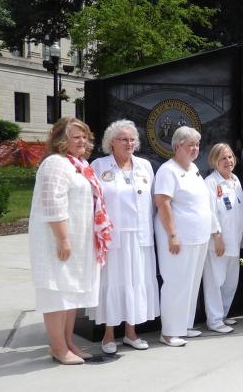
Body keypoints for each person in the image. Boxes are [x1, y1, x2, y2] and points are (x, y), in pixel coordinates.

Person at [29, 117, 112, 365]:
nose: (82, 141)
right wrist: (63, 239)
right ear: (61, 140)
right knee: (57, 294)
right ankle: (57, 347)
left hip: (78, 242)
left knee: (71, 295)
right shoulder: (55, 163)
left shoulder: (79, 164)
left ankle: (68, 343)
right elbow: (52, 203)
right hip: (57, 242)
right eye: (76, 137)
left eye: (85, 137)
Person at [89, 120, 159, 354]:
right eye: (123, 139)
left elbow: (154, 202)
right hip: (113, 238)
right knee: (113, 282)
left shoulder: (145, 166)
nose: (129, 143)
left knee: (136, 282)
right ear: (111, 142)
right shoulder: (99, 166)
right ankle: (109, 334)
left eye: (132, 139)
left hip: (140, 237)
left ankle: (131, 332)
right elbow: (93, 201)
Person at [154, 126, 215, 346]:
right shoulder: (168, 170)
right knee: (176, 283)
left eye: (197, 145)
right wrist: (172, 234)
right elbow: (163, 203)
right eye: (191, 145)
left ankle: (184, 326)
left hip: (198, 237)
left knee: (191, 283)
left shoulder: (193, 168)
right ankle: (169, 332)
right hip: (179, 237)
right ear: (177, 146)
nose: (195, 149)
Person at [203, 143, 243, 334]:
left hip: (234, 241)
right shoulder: (211, 182)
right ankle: (214, 320)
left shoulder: (235, 180)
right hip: (218, 242)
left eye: (230, 157)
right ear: (214, 161)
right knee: (215, 282)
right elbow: (210, 212)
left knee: (230, 282)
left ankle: (222, 315)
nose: (228, 161)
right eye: (223, 158)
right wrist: (217, 236)